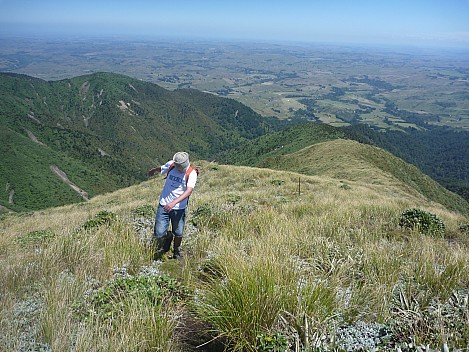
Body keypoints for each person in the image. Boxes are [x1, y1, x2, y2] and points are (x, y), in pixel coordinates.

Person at [148, 152, 198, 259]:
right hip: (164, 204)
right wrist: (153, 170)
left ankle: (176, 251)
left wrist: (174, 203)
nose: (180, 169)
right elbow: (162, 168)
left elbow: (189, 191)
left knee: (179, 232)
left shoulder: (191, 173)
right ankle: (168, 236)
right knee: (159, 233)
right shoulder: (171, 165)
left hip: (179, 208)